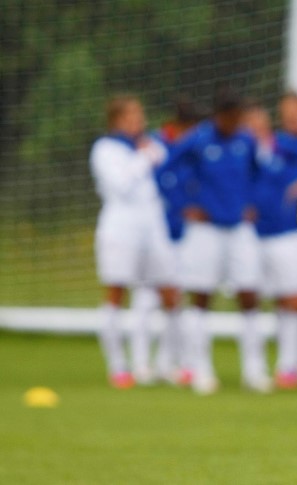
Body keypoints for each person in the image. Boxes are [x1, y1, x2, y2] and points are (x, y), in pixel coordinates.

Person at [165, 86, 264, 395]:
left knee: (249, 294)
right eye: (232, 118)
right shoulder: (198, 138)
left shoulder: (246, 140)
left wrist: (250, 203)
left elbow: (256, 175)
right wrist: (185, 204)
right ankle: (201, 370)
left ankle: (255, 371)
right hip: (205, 230)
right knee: (201, 296)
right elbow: (166, 170)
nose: (236, 123)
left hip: (239, 229)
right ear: (220, 115)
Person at [89, 94, 180, 389]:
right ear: (117, 120)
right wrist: (143, 157)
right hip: (120, 228)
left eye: (139, 114)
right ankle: (118, 366)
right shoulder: (105, 149)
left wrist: (149, 152)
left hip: (152, 227)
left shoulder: (148, 145)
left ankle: (157, 363)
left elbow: (165, 161)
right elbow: (122, 185)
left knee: (167, 292)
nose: (138, 120)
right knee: (116, 293)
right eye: (131, 115)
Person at [244, 96, 297, 392]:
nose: (291, 118)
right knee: (279, 300)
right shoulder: (268, 147)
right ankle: (287, 365)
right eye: (286, 114)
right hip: (260, 234)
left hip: (294, 232)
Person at [128, 96, 206, 387]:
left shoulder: (192, 152)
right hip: (150, 234)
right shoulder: (153, 147)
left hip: (181, 235)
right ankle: (139, 363)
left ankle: (166, 362)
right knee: (146, 297)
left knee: (173, 298)